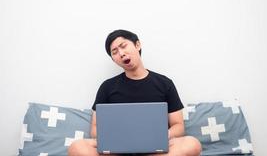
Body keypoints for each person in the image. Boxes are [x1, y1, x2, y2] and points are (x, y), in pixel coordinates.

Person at [68, 29, 202, 156]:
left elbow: (178, 126)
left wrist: (157, 137)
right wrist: (121, 140)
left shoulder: (165, 83)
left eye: (123, 46)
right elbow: (95, 128)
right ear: (113, 59)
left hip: (155, 149)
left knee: (192, 144)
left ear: (137, 45)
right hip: (117, 150)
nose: (121, 53)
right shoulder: (107, 87)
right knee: (76, 147)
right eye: (114, 52)